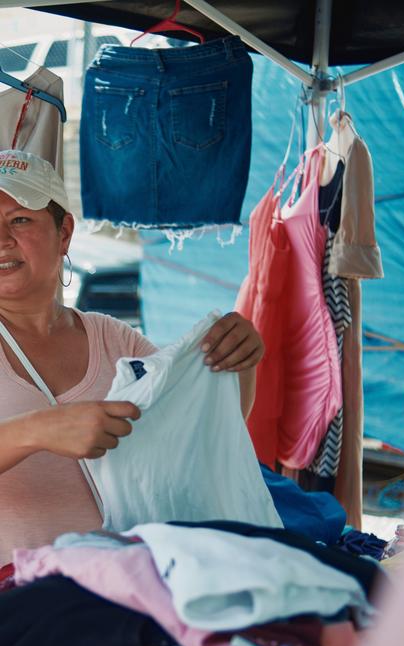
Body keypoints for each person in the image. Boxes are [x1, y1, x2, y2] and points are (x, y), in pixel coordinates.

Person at [0, 150, 264, 561]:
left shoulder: (112, 338)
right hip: (20, 606)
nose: (2, 239)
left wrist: (235, 361)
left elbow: (197, 428)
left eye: (20, 219)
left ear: (64, 231)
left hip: (124, 591)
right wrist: (37, 430)